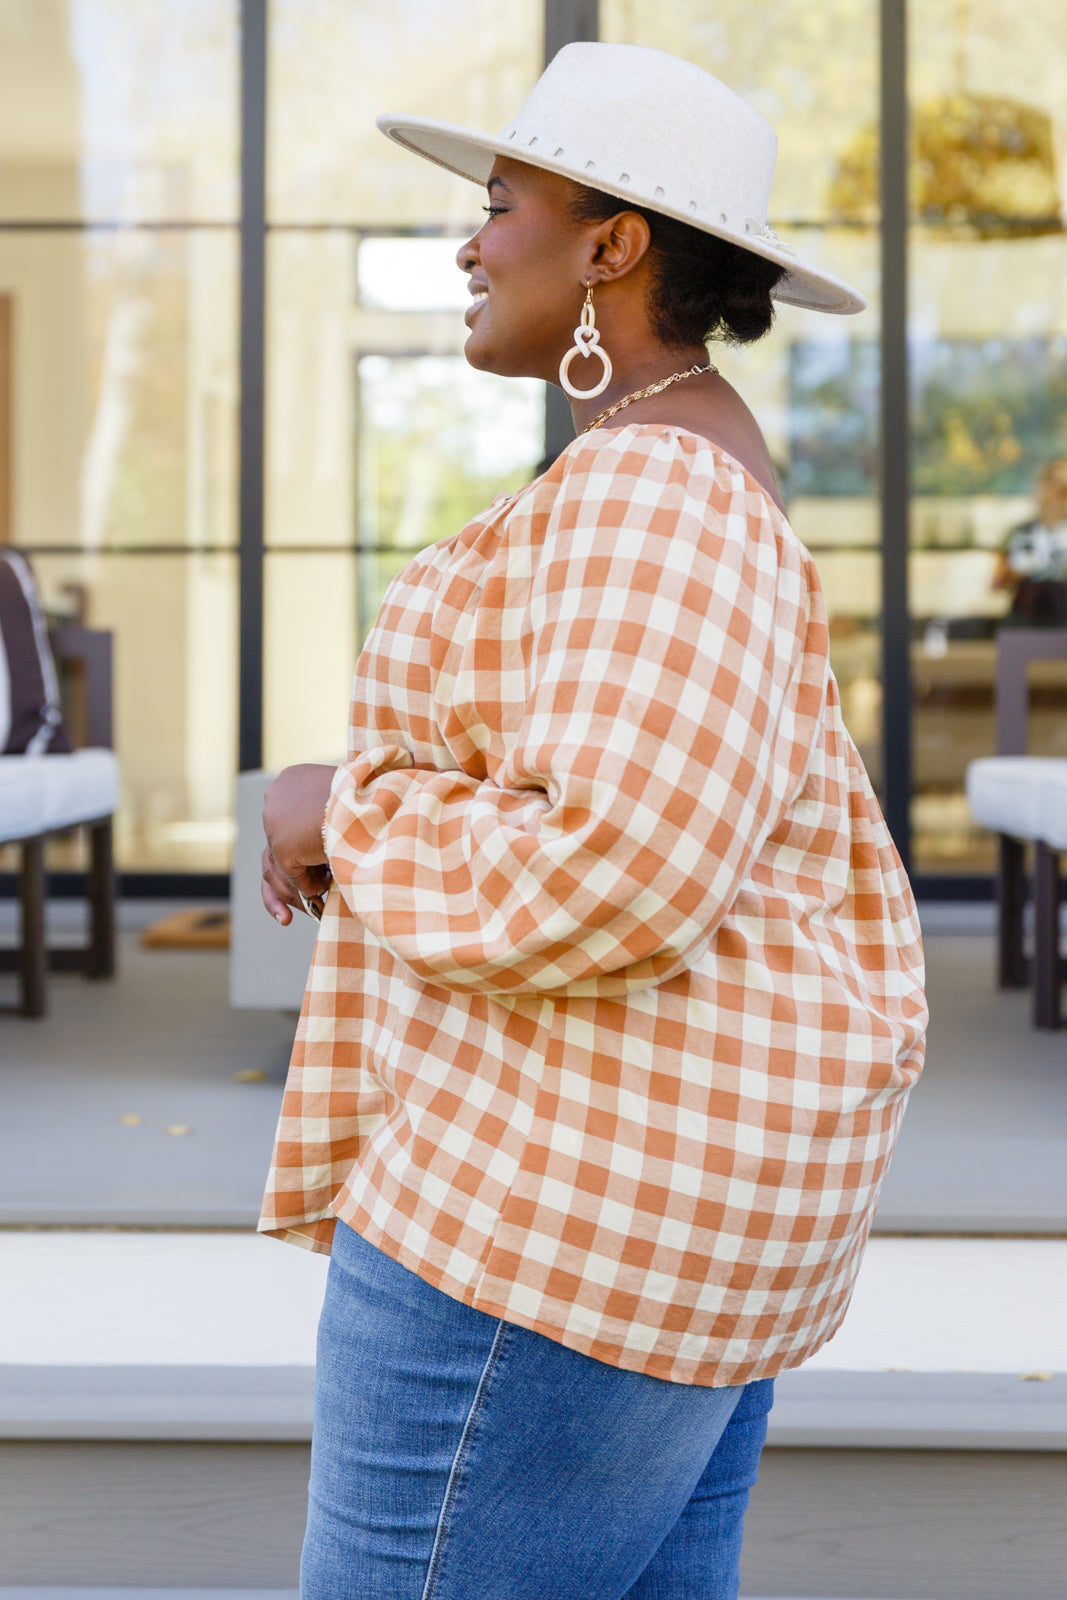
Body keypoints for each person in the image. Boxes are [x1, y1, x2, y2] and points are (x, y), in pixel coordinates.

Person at [258, 43, 927, 1600]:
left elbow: (614, 871)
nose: (467, 242)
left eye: (500, 205)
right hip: (616, 1222)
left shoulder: (654, 495)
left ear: (611, 246)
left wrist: (335, 813)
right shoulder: (678, 478)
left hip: (538, 1234)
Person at [993, 457, 1067, 626]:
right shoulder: (1020, 533)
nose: (1058, 495)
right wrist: (1018, 572)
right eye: (1054, 485)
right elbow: (998, 582)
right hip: (1028, 622)